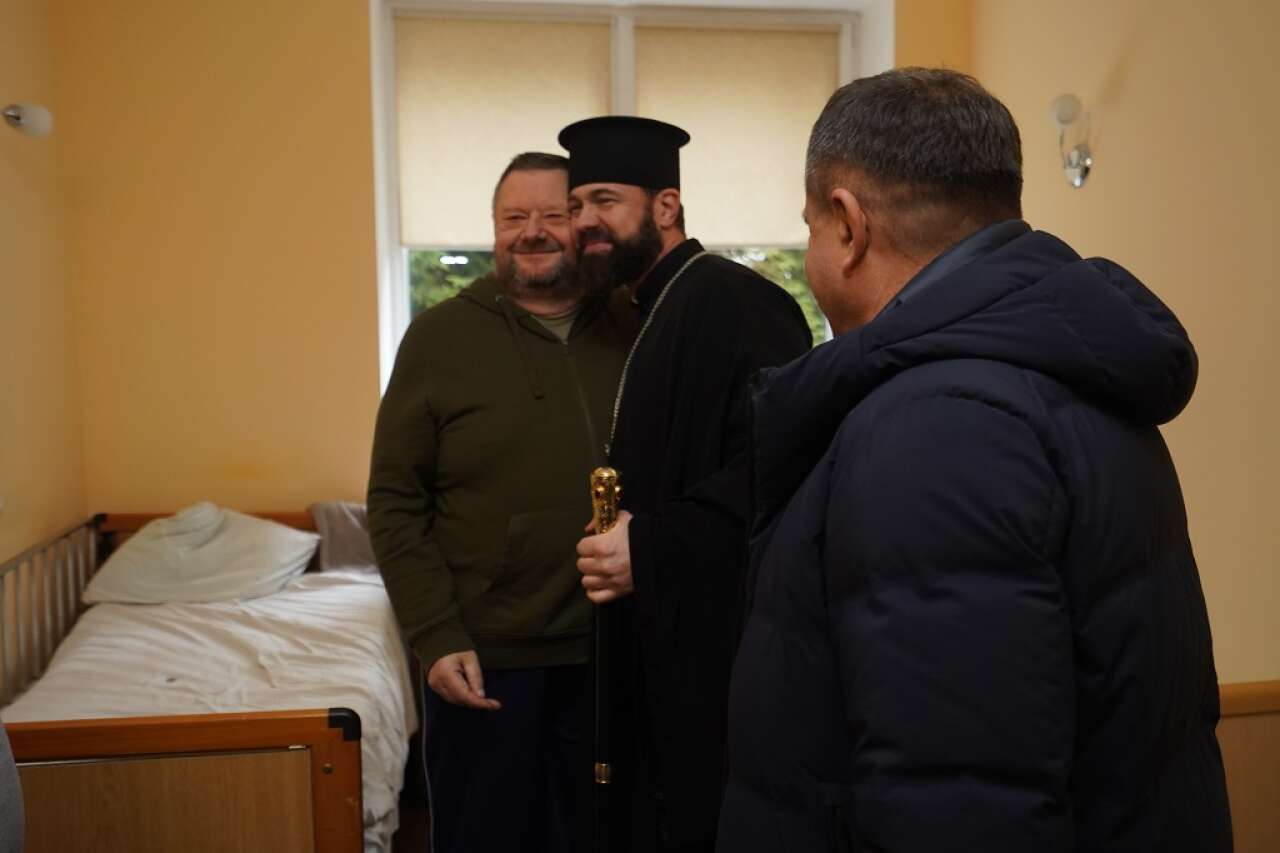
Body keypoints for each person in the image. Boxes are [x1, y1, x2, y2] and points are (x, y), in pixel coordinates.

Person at [718, 68, 1232, 852]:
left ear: (848, 226)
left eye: (810, 226)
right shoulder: (1051, 366)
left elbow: (958, 802)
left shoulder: (936, 421)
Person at [367, 152, 633, 853]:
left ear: (582, 225)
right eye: (514, 217)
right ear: (493, 228)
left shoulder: (632, 327)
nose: (532, 232)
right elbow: (394, 501)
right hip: (485, 661)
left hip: (611, 655)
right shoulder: (438, 338)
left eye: (552, 215)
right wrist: (434, 633)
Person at [562, 116, 813, 852]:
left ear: (666, 205)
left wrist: (649, 547)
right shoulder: (647, 309)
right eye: (576, 205)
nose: (584, 221)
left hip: (720, 660)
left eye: (605, 201)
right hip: (658, 648)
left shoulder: (741, 302)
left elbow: (780, 467)